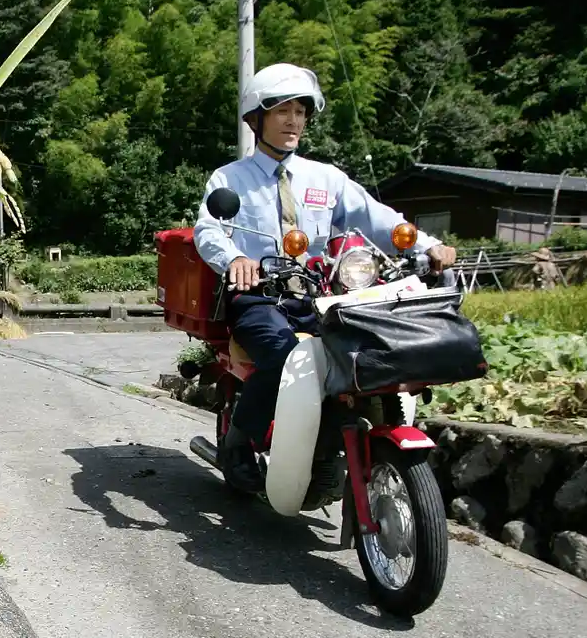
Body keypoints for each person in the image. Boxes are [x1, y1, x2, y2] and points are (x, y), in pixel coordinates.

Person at [193, 62, 457, 493]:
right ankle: (238, 445)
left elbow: (378, 220)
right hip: (258, 296)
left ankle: (347, 437)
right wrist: (237, 259)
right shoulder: (230, 179)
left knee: (368, 353)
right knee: (282, 359)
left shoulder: (326, 178)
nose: (293, 120)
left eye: (300, 111)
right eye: (282, 110)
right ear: (256, 119)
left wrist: (426, 245)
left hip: (320, 294)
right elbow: (209, 230)